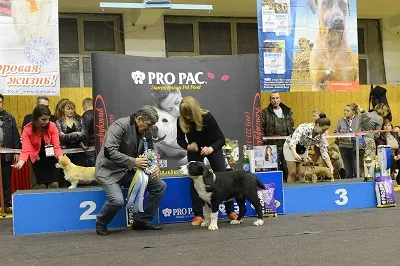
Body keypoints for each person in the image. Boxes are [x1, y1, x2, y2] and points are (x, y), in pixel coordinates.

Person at [95, 105, 166, 235]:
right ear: (139, 118)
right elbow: (109, 152)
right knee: (117, 201)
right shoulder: (119, 126)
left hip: (128, 171)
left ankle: (142, 221)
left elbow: (149, 152)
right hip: (108, 171)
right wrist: (134, 161)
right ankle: (101, 222)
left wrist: (154, 166)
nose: (150, 129)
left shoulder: (147, 131)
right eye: (149, 124)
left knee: (159, 186)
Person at [177, 96, 238, 226]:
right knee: (194, 180)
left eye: (190, 113)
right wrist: (188, 146)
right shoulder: (180, 121)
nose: (188, 117)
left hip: (212, 147)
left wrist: (211, 148)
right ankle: (198, 215)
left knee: (222, 176)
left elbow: (221, 139)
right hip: (195, 150)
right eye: (185, 114)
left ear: (196, 110)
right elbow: (180, 140)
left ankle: (230, 211)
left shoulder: (207, 117)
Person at [13, 105, 63, 188]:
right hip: (37, 157)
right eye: (43, 119)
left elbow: (56, 146)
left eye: (48, 119)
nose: (46, 122)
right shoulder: (27, 129)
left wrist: (61, 158)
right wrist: (21, 162)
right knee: (41, 186)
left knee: (54, 184)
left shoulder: (52, 126)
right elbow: (25, 150)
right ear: (36, 118)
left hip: (51, 157)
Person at [283, 113, 334, 183]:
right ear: (318, 125)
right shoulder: (304, 128)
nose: (324, 132)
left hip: (303, 149)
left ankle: (302, 192)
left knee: (302, 173)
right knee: (292, 172)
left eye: (326, 130)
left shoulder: (321, 136)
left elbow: (324, 152)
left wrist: (330, 167)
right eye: (323, 130)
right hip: (290, 147)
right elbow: (293, 142)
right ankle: (290, 192)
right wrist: (294, 153)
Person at [261, 92, 295, 182]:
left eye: (277, 98)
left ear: (280, 99)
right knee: (274, 168)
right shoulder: (265, 112)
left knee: (288, 168)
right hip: (272, 145)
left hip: (287, 145)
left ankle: (289, 188)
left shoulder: (287, 112)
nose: (275, 100)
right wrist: (265, 144)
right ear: (270, 100)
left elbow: (291, 127)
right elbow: (261, 128)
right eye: (273, 98)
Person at [0, 94, 21, 213]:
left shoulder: (9, 118)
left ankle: (6, 204)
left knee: (6, 180)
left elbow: (15, 136)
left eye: (0, 102)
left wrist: (17, 151)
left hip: (6, 154)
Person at [334, 104, 362, 178]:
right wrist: (338, 136)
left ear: (353, 112)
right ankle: (349, 186)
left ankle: (358, 185)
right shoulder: (341, 120)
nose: (345, 112)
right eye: (344, 110)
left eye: (348, 111)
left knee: (357, 167)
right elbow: (335, 131)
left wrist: (360, 109)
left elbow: (368, 117)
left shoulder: (359, 119)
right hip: (344, 147)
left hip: (356, 147)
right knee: (347, 168)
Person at [82, 98, 95, 166]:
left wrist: (84, 144)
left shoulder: (86, 115)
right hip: (99, 145)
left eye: (82, 106)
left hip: (90, 146)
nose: (83, 108)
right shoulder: (99, 113)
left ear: (85, 104)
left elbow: (85, 132)